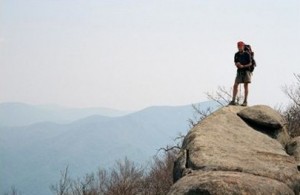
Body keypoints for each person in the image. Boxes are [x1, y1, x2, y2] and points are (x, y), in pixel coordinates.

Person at [229, 41, 252, 106]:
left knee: (245, 86)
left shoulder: (247, 54)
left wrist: (243, 66)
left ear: (243, 46)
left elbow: (250, 63)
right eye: (238, 46)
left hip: (246, 71)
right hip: (239, 71)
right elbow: (235, 62)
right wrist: (237, 64)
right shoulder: (236, 54)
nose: (239, 47)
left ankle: (245, 101)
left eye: (241, 46)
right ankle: (233, 100)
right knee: (235, 85)